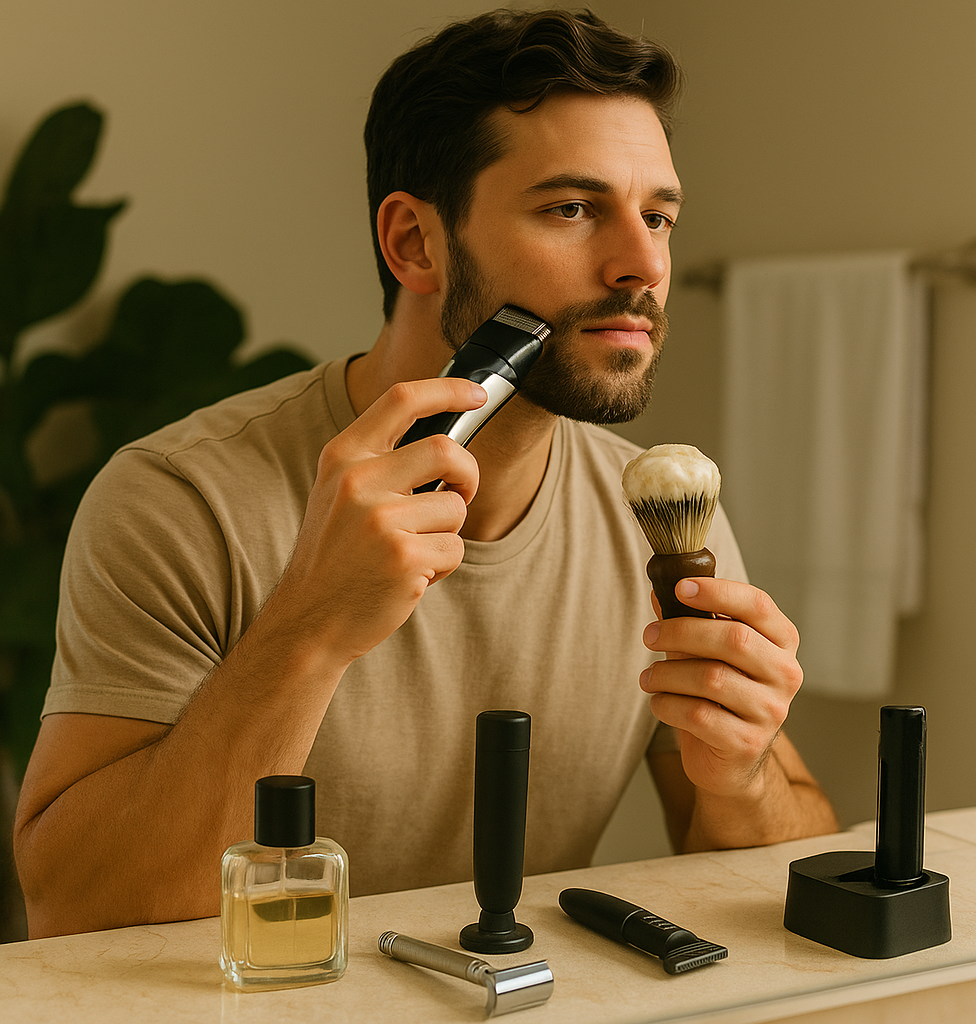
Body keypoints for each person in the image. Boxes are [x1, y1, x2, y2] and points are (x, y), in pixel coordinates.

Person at [14, 8, 837, 938]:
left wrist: (743, 774)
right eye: (571, 208)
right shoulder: (181, 501)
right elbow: (73, 913)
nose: (643, 263)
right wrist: (313, 626)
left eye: (658, 215)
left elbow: (782, 882)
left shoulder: (657, 511)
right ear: (414, 243)